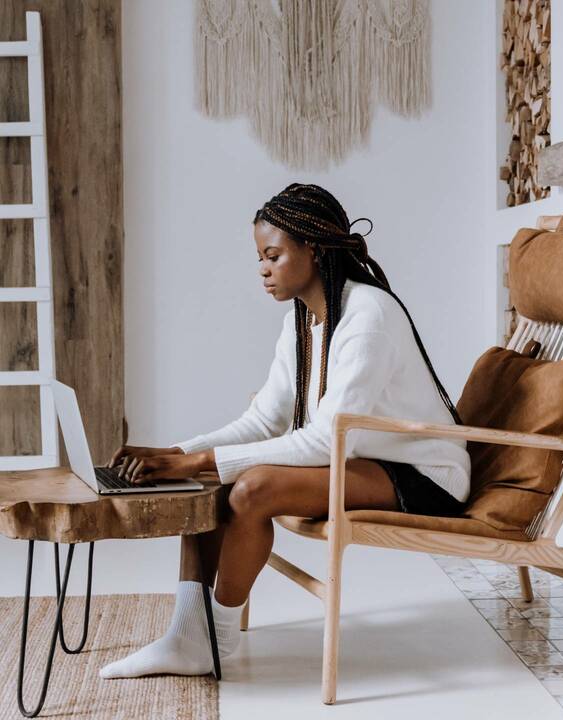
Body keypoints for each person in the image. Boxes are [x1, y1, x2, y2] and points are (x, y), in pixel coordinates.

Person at [99, 183, 471, 680]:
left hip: (425, 473)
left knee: (251, 487)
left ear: (312, 249)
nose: (262, 268)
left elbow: (326, 440)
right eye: (260, 257)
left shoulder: (369, 316)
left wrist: (195, 461)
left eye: (273, 255)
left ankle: (216, 644)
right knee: (213, 481)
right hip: (366, 459)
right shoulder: (305, 321)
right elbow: (263, 421)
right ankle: (188, 635)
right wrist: (177, 454)